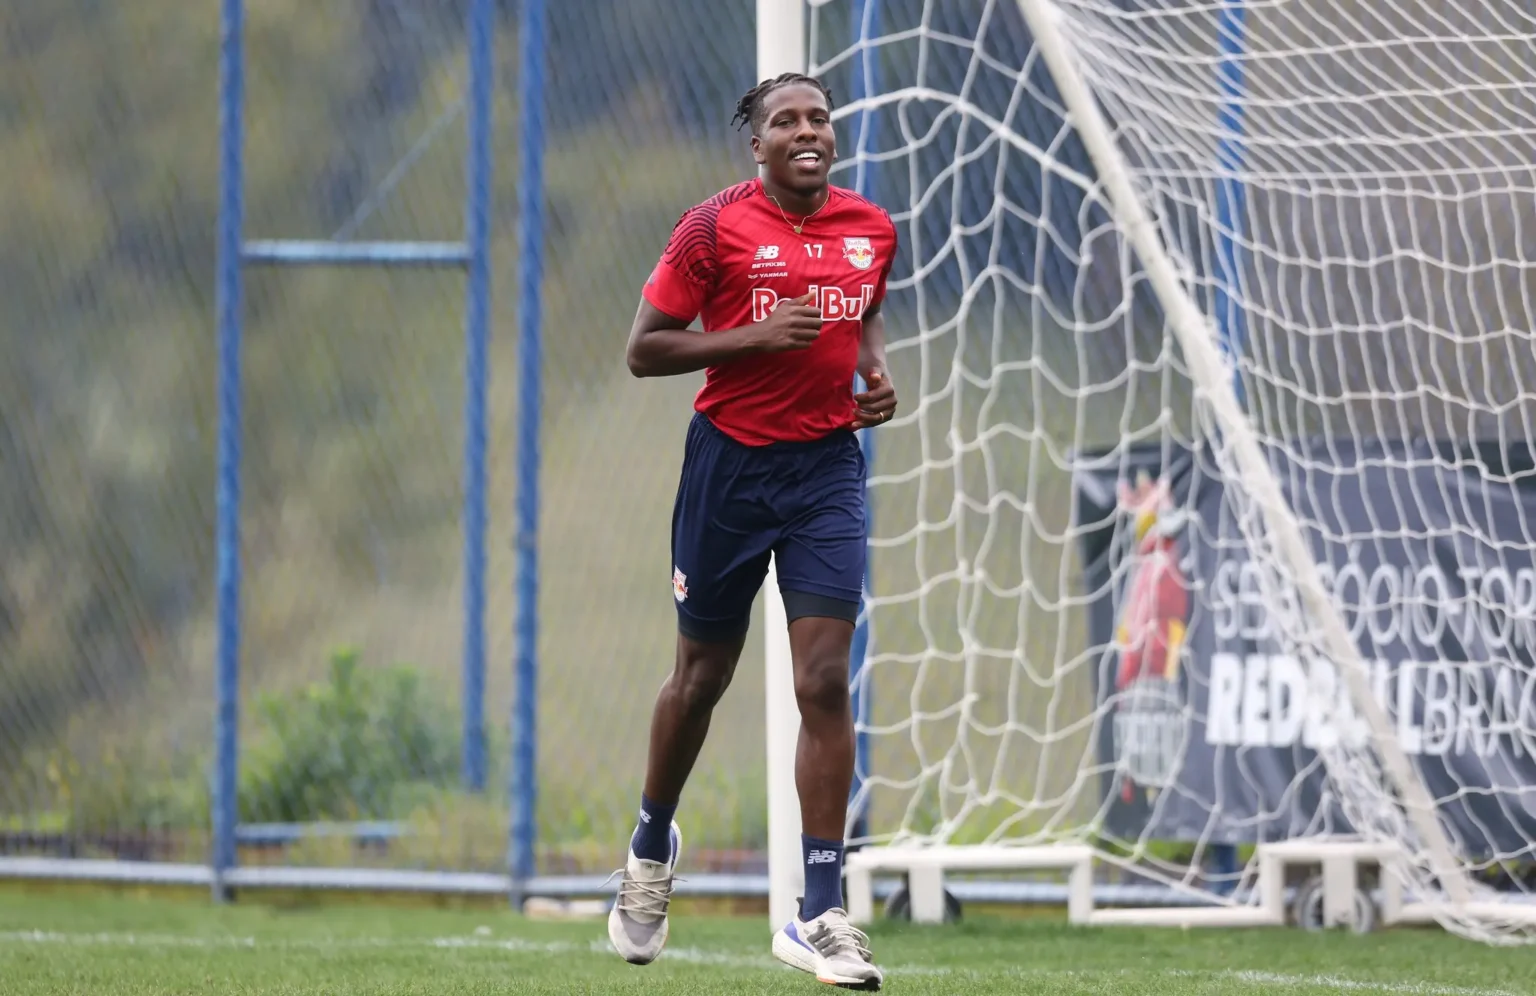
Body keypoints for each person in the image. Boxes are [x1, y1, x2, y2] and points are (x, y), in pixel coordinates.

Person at [606, 72, 898, 991]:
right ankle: (651, 849)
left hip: (825, 473)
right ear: (757, 145)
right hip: (728, 470)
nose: (806, 131)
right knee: (701, 680)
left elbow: (864, 309)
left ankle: (820, 913)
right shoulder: (713, 229)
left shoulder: (871, 228)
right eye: (786, 121)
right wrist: (750, 337)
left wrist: (873, 374)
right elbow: (645, 348)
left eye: (819, 118)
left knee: (822, 680)